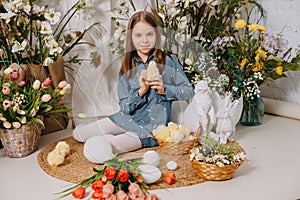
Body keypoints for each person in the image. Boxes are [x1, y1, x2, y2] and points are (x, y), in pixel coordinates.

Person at [73, 11, 194, 154]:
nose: (144, 41)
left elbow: (188, 90)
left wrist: (164, 89)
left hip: (149, 129)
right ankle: (109, 136)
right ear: (131, 37)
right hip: (125, 119)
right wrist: (140, 92)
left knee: (105, 149)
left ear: (156, 35)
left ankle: (111, 140)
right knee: (78, 134)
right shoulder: (128, 66)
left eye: (149, 34)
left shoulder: (167, 60)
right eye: (138, 35)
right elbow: (124, 107)